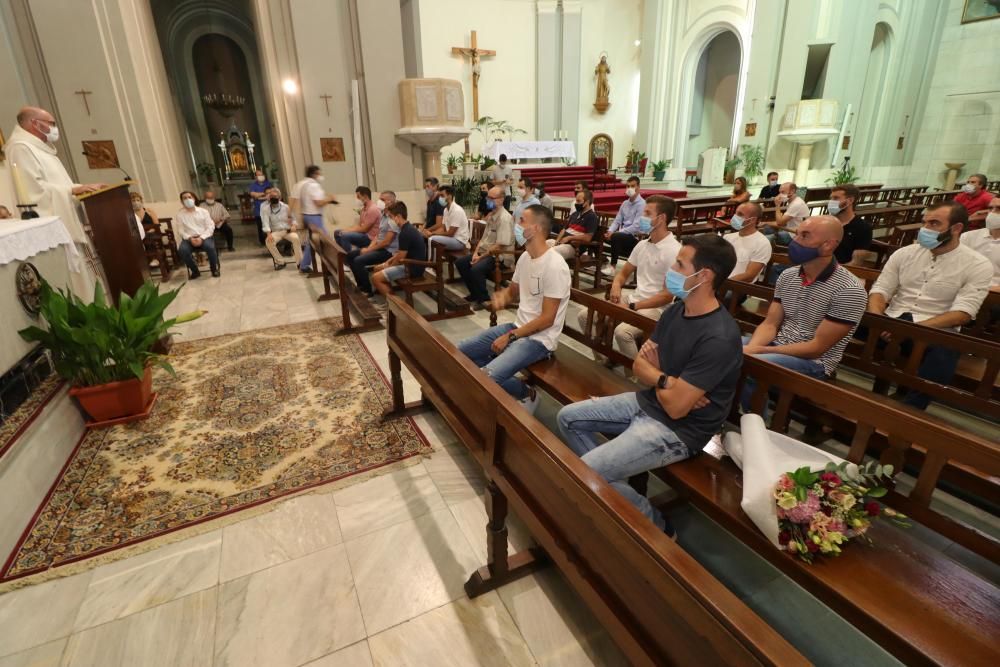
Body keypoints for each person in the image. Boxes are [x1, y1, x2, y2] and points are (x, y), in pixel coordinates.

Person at [557, 234, 742, 536]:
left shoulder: (718, 336)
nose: (672, 268)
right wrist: (666, 380)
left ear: (704, 276)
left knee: (585, 469)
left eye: (680, 264)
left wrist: (656, 374)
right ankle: (616, 488)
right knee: (568, 418)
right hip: (649, 402)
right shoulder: (675, 311)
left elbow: (677, 408)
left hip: (680, 430)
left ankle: (653, 523)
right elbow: (638, 365)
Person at [868, 201, 992, 409]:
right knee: (842, 320)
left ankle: (909, 413)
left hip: (934, 327)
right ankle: (821, 391)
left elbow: (963, 312)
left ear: (956, 228)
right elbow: (880, 290)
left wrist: (912, 329)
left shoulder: (977, 264)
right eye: (925, 222)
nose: (925, 229)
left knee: (945, 353)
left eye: (934, 224)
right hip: (891, 321)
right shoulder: (905, 253)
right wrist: (878, 319)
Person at [457, 205, 570, 412]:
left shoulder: (555, 265)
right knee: (460, 353)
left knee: (486, 376)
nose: (517, 226)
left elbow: (547, 319)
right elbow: (514, 290)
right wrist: (503, 297)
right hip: (517, 327)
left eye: (521, 222)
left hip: (539, 340)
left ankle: (527, 393)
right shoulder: (526, 257)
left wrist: (510, 337)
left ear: (535, 228)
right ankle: (504, 377)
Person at [743, 216, 867, 383]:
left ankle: (754, 409)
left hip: (813, 362)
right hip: (776, 344)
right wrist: (752, 348)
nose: (795, 241)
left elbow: (816, 348)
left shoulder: (848, 290)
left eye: (805, 236)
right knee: (715, 347)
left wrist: (759, 351)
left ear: (828, 245)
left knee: (751, 365)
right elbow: (770, 324)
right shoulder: (788, 275)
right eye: (797, 234)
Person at [6, 106, 105, 296]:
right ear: (34, 123)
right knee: (78, 286)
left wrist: (80, 187)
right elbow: (33, 192)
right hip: (56, 228)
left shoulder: (40, 148)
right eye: (51, 123)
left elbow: (55, 185)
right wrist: (72, 190)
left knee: (90, 281)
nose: (54, 128)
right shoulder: (20, 148)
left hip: (67, 221)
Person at [577, 195, 680, 364]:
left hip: (658, 308)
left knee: (623, 333)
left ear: (661, 218)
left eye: (647, 213)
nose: (642, 217)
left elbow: (667, 296)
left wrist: (632, 307)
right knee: (584, 315)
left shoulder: (674, 250)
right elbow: (623, 274)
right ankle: (604, 360)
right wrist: (617, 286)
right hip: (636, 298)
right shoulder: (642, 245)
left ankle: (636, 378)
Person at [456, 186, 514, 309]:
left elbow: (500, 245)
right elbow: (483, 239)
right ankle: (475, 294)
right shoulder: (491, 215)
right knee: (461, 262)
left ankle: (484, 299)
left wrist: (480, 257)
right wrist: (476, 253)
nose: (488, 200)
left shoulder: (504, 218)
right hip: (487, 253)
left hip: (500, 256)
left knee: (476, 269)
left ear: (501, 199)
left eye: (492, 198)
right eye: (488, 197)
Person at [371, 201, 428, 301]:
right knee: (377, 268)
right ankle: (390, 300)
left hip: (413, 269)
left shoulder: (405, 233)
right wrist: (387, 263)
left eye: (391, 217)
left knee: (376, 278)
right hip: (408, 263)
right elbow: (400, 254)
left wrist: (387, 266)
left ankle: (396, 305)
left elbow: (400, 258)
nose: (390, 220)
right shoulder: (406, 228)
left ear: (398, 216)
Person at [351, 191, 398, 296]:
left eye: (382, 200)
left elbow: (387, 241)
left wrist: (369, 250)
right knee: (351, 255)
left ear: (390, 202)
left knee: (358, 261)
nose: (379, 201)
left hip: (389, 251)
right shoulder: (383, 214)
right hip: (379, 247)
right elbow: (378, 235)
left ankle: (368, 290)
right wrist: (369, 247)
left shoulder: (394, 217)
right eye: (379, 199)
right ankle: (361, 285)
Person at [298, 165, 339, 273]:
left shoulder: (304, 184)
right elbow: (318, 203)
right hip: (314, 216)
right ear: (314, 174)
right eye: (319, 173)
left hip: (308, 215)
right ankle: (334, 265)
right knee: (326, 241)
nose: (320, 176)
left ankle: (304, 265)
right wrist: (330, 199)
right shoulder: (313, 185)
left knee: (312, 242)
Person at [604, 176, 646, 275]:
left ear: (638, 187)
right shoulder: (625, 203)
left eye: (632, 186)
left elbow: (636, 226)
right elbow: (617, 220)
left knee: (616, 236)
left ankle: (612, 267)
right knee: (599, 232)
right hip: (622, 236)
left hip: (634, 237)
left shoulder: (642, 204)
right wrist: (610, 231)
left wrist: (617, 232)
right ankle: (601, 260)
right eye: (628, 186)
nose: (630, 188)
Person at [723, 202, 772, 284]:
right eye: (735, 213)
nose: (735, 217)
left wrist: (723, 283)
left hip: (736, 288)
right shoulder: (728, 237)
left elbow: (749, 276)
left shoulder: (762, 243)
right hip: (719, 282)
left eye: (740, 214)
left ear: (752, 220)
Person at [175, 190, 220, 279]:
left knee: (210, 248)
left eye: (189, 197)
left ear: (194, 199)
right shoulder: (180, 214)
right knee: (182, 250)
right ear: (181, 201)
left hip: (204, 237)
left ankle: (214, 269)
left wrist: (202, 238)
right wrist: (190, 238)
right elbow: (180, 230)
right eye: (184, 198)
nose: (187, 199)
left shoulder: (203, 212)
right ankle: (195, 271)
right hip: (189, 239)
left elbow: (210, 226)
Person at [960, 195, 1000, 290]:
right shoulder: (968, 237)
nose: (993, 212)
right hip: (964, 288)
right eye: (990, 208)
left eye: (999, 209)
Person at [548, 188, 598, 262]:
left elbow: (588, 237)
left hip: (574, 246)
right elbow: (564, 229)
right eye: (576, 200)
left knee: (551, 252)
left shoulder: (592, 216)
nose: (576, 203)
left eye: (578, 201)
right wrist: (557, 241)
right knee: (542, 245)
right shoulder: (575, 214)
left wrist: (569, 238)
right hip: (562, 242)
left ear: (586, 202)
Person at [827, 184, 871, 265]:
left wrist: (834, 272)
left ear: (850, 201)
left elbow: (856, 262)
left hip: (842, 271)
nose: (831, 202)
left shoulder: (862, 227)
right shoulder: (826, 222)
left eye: (836, 198)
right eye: (831, 198)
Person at [261, 187, 301, 270]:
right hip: (276, 232)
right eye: (271, 196)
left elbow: (293, 219)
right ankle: (280, 261)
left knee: (296, 238)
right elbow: (265, 223)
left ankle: (300, 262)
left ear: (279, 197)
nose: (273, 198)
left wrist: (294, 225)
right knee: (269, 242)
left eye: (275, 197)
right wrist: (268, 234)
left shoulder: (286, 207)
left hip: (288, 231)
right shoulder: (266, 209)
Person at [423, 184, 470, 251]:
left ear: (450, 196)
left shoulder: (457, 210)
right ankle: (434, 259)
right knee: (428, 237)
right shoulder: (445, 210)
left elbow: (450, 233)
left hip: (459, 241)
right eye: (439, 196)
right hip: (451, 238)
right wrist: (430, 233)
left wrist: (432, 233)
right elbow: (443, 228)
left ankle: (434, 261)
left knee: (432, 239)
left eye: (442, 195)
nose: (440, 198)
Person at [335, 186, 380, 253]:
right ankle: (342, 255)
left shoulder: (373, 209)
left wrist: (347, 231)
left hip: (370, 237)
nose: (357, 199)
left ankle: (349, 258)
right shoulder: (363, 209)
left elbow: (364, 229)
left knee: (345, 236)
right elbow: (359, 225)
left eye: (358, 197)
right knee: (337, 232)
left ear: (365, 196)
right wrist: (346, 230)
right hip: (363, 234)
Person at [249, 168, 272, 245]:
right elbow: (253, 194)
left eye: (261, 174)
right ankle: (262, 242)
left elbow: (271, 193)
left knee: (269, 224)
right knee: (260, 226)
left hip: (269, 208)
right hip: (258, 209)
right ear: (255, 177)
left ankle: (270, 240)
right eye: (258, 175)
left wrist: (259, 196)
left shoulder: (268, 183)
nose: (260, 176)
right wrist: (264, 194)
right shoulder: (253, 185)